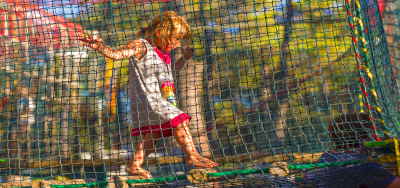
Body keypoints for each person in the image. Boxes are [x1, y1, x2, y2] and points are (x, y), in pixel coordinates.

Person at [79, 11, 218, 178]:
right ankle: (192, 155)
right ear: (162, 33)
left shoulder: (162, 55)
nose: (177, 44)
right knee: (180, 121)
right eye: (175, 38)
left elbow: (169, 74)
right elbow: (117, 55)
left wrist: (183, 60)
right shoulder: (141, 46)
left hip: (153, 101)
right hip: (149, 100)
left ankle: (134, 166)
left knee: (149, 140)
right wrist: (100, 47)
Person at [301, 113, 400, 188]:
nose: (374, 136)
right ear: (363, 136)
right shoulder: (365, 166)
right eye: (371, 133)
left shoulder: (326, 157)